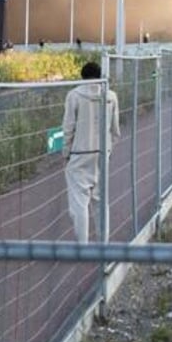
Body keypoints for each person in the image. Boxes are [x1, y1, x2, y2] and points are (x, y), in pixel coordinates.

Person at [63, 61, 121, 242]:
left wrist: (66, 153)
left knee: (79, 202)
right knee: (100, 201)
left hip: (79, 154)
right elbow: (115, 130)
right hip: (102, 152)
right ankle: (103, 243)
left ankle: (82, 245)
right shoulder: (111, 96)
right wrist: (109, 149)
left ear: (82, 76)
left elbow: (68, 128)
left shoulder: (74, 95)